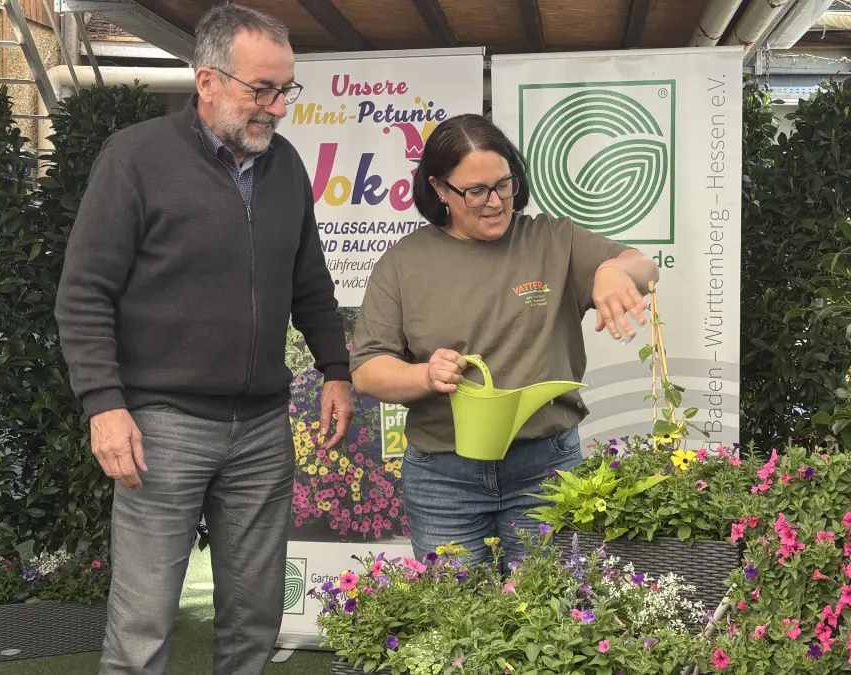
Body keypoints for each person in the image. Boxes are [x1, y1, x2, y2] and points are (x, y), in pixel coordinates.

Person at [54, 5, 353, 674]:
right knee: (143, 625)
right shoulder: (134, 158)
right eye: (262, 90)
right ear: (207, 80)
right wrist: (104, 404)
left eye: (285, 90)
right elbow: (83, 293)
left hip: (261, 429)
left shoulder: (286, 170)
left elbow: (309, 283)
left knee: (254, 619)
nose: (276, 108)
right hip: (160, 428)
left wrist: (336, 368)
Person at [348, 114, 659, 570]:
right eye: (475, 191)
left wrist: (613, 270)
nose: (495, 202)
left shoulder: (551, 240)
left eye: (504, 185)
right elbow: (367, 370)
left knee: (551, 620)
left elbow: (645, 267)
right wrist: (425, 375)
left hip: (545, 467)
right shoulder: (403, 265)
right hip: (443, 477)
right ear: (439, 189)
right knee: (453, 624)